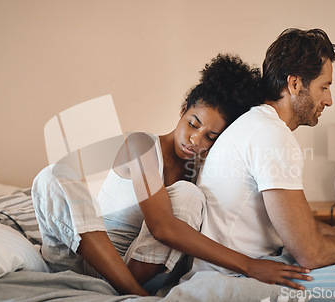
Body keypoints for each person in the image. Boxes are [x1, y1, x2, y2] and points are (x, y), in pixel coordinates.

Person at [32, 54, 311, 296]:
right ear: (182, 110)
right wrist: (248, 265)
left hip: (136, 269)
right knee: (54, 175)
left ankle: (122, 289)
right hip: (83, 261)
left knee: (189, 195)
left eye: (210, 137)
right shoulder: (141, 145)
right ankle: (132, 293)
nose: (195, 140)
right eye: (193, 124)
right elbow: (161, 226)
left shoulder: (198, 172)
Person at [190, 28, 335, 297]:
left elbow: (301, 225)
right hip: (233, 278)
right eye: (325, 86)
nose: (329, 100)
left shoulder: (258, 124)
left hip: (244, 266)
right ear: (295, 84)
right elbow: (311, 252)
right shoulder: (271, 134)